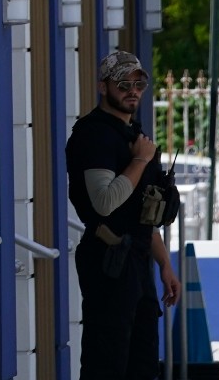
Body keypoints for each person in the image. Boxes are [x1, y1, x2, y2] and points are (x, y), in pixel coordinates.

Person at [65, 49, 181, 378]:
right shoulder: (95, 134)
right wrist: (140, 161)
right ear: (104, 87)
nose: (132, 91)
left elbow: (142, 214)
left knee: (141, 361)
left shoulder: (134, 136)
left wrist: (164, 264)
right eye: (123, 83)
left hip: (137, 259)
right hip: (109, 260)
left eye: (139, 84)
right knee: (108, 360)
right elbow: (104, 202)